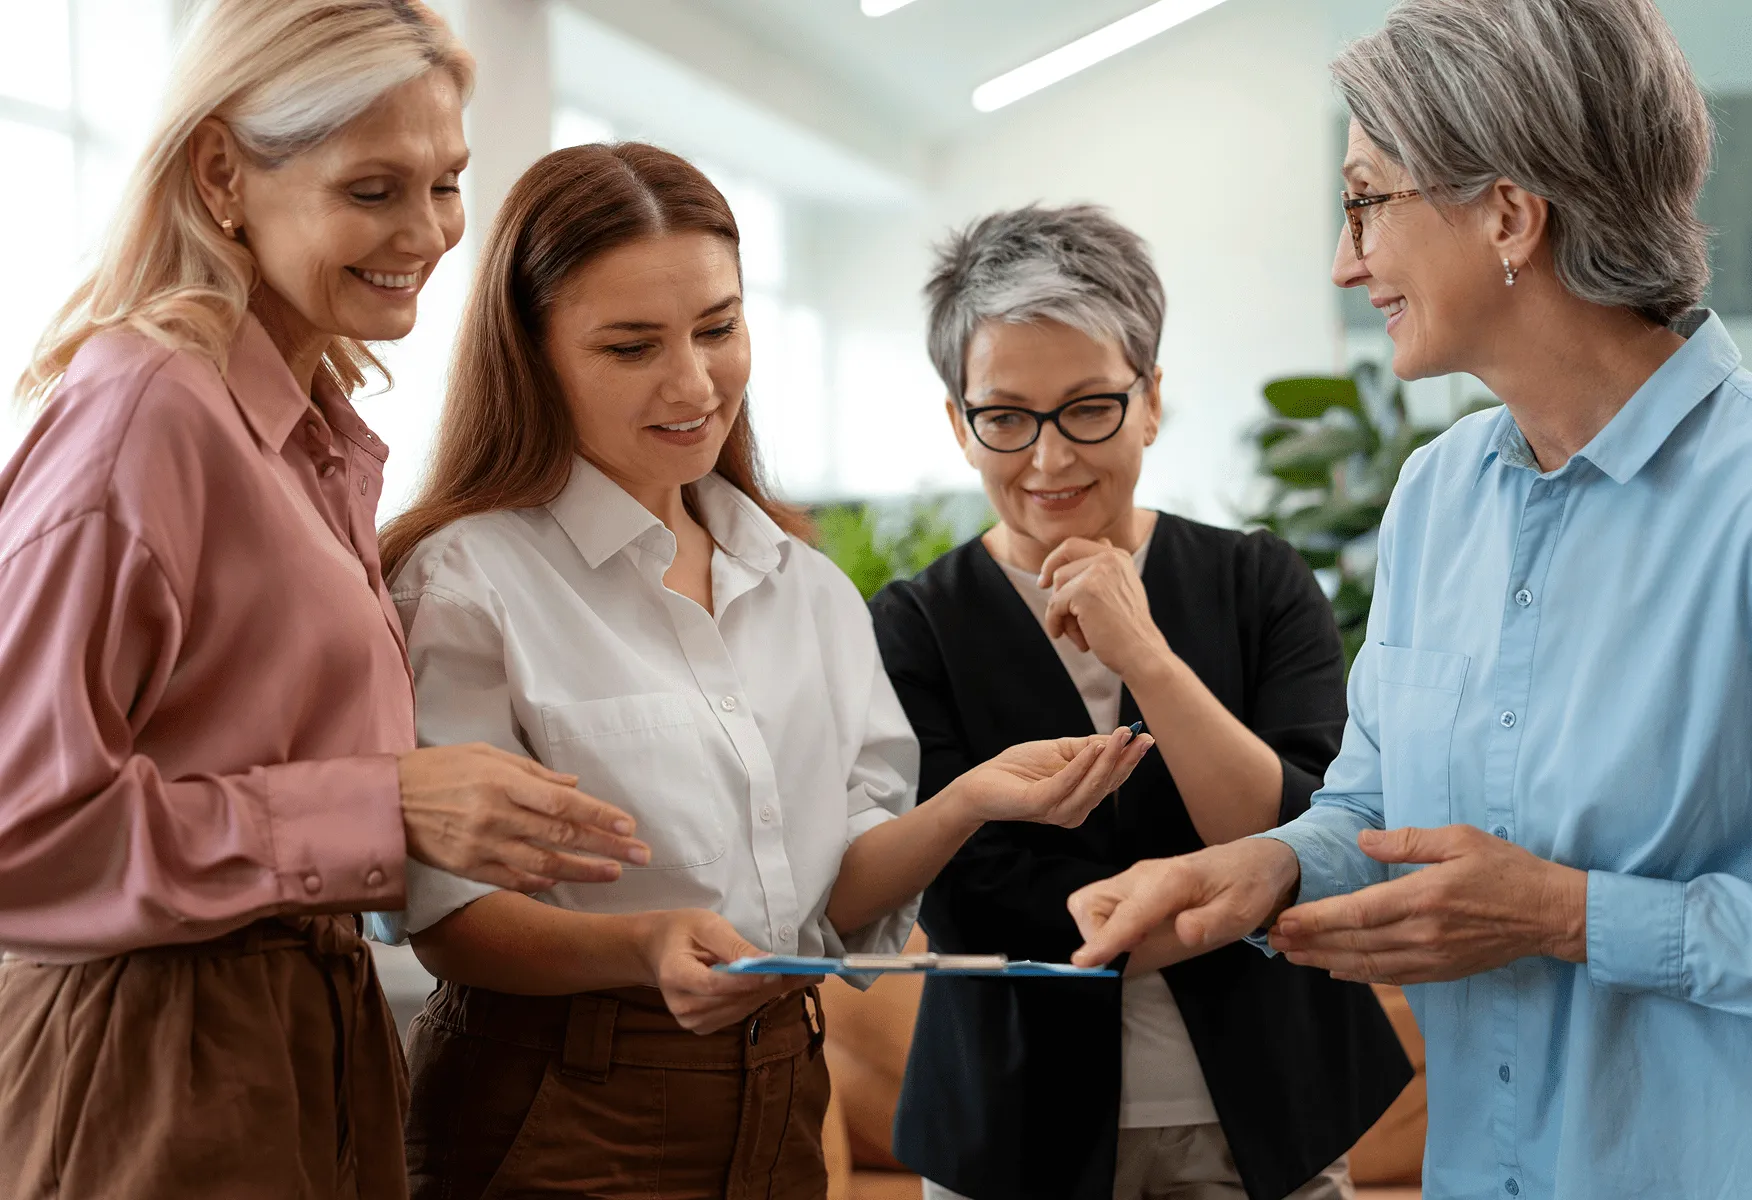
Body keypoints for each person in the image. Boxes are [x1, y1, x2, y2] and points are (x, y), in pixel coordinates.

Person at [370, 143, 1155, 1200]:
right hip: (560, 1103)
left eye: (718, 328)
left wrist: (969, 800)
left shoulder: (804, 585)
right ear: (533, 354)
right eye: (631, 346)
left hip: (782, 1088)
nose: (694, 383)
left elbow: (829, 892)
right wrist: (642, 945)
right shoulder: (468, 579)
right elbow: (451, 916)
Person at [1068, 2, 1752, 1197]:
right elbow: (1375, 806)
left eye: (1366, 201)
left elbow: (1531, 905)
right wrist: (1266, 868)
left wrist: (1569, 916)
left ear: (1508, 214)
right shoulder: (1438, 497)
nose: (1346, 262)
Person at [0, 4, 649, 1198]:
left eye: (446, 183)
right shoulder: (147, 417)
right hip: (154, 1055)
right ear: (221, 174)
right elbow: (18, 835)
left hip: (302, 1037)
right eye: (372, 190)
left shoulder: (309, 434)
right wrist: (382, 805)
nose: (430, 231)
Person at [869, 204, 1410, 1200]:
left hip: (1269, 1109)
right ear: (958, 424)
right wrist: (1212, 900)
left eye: (1089, 407)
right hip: (1014, 1124)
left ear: (1151, 400)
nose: (1049, 459)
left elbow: (1306, 835)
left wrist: (1148, 658)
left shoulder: (1259, 581)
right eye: (1005, 417)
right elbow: (958, 896)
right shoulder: (914, 625)